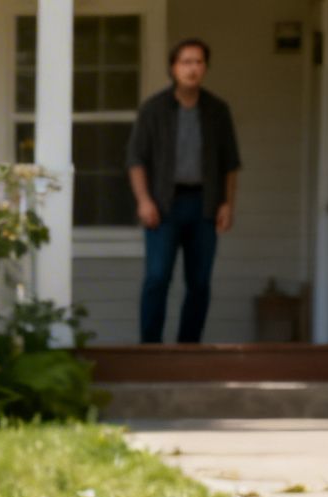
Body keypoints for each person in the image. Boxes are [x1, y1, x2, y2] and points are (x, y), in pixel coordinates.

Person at [127, 39, 241, 344]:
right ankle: (150, 347)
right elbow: (136, 160)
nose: (192, 68)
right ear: (173, 68)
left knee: (199, 282)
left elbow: (230, 163)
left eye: (198, 62)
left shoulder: (217, 111)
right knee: (157, 277)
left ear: (205, 67)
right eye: (186, 62)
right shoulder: (153, 109)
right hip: (163, 204)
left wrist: (227, 204)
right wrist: (143, 200)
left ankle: (189, 347)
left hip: (204, 204)